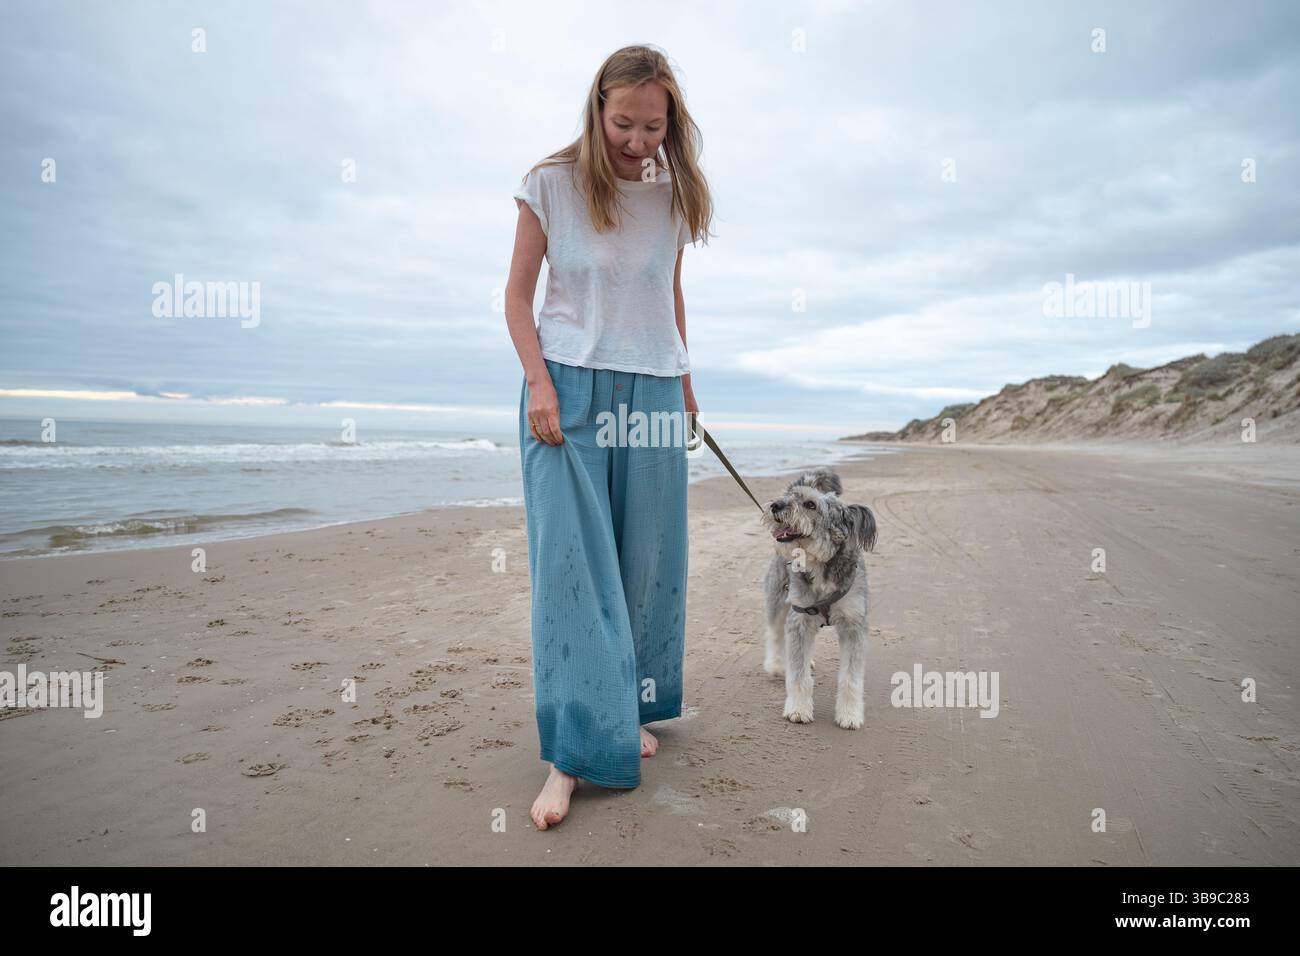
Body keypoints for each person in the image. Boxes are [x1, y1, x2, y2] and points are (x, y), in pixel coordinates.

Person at [504, 45, 713, 830]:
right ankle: (572, 754)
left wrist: (687, 382)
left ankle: (634, 704)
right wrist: (539, 384)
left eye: (652, 126)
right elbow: (517, 299)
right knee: (571, 571)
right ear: (598, 109)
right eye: (623, 123)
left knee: (649, 558)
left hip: (655, 384)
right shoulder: (550, 184)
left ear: (672, 123)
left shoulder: (677, 192)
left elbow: (669, 292)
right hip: (569, 385)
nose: (636, 140)